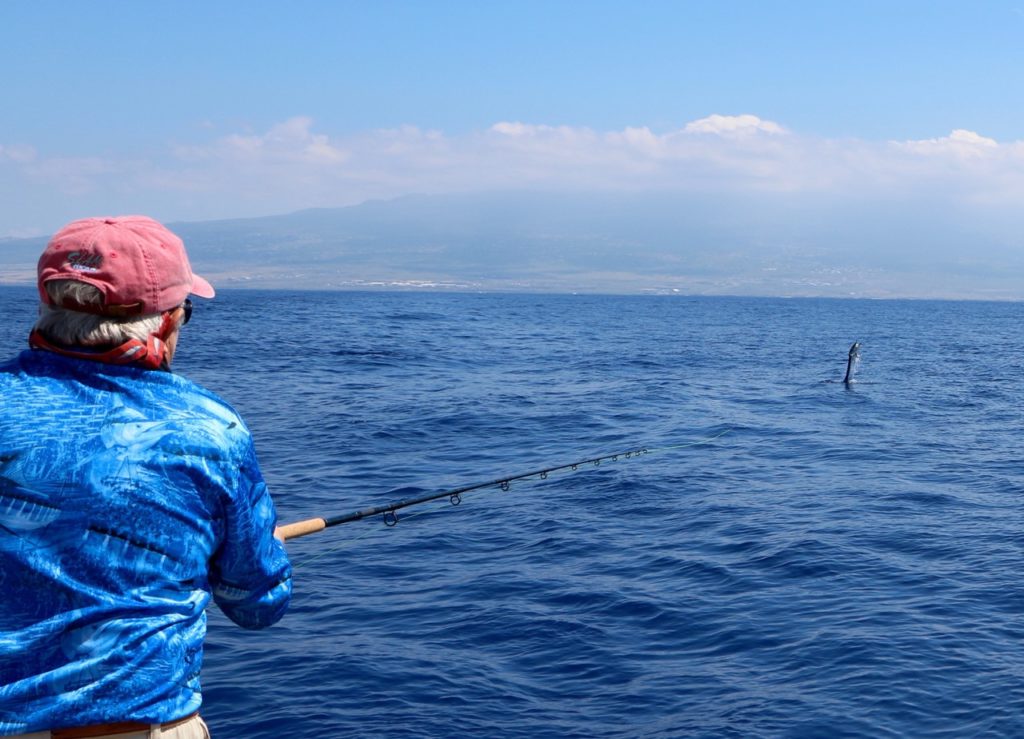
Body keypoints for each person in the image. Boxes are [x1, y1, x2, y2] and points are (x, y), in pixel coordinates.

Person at [0, 216, 292, 738]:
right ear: (166, 320)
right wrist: (257, 553)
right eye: (186, 311)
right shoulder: (207, 430)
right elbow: (258, 605)